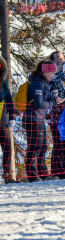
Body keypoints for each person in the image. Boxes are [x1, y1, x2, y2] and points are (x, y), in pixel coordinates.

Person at [25, 60, 65, 182]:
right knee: (35, 147)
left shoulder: (44, 83)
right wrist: (54, 102)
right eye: (52, 73)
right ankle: (32, 175)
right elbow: (38, 104)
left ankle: (42, 173)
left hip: (39, 118)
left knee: (43, 146)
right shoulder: (38, 84)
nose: (53, 75)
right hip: (33, 119)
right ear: (45, 72)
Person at [0, 56, 16, 184]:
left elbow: (9, 100)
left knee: (7, 148)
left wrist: (12, 117)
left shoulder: (3, 82)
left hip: (3, 121)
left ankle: (7, 175)